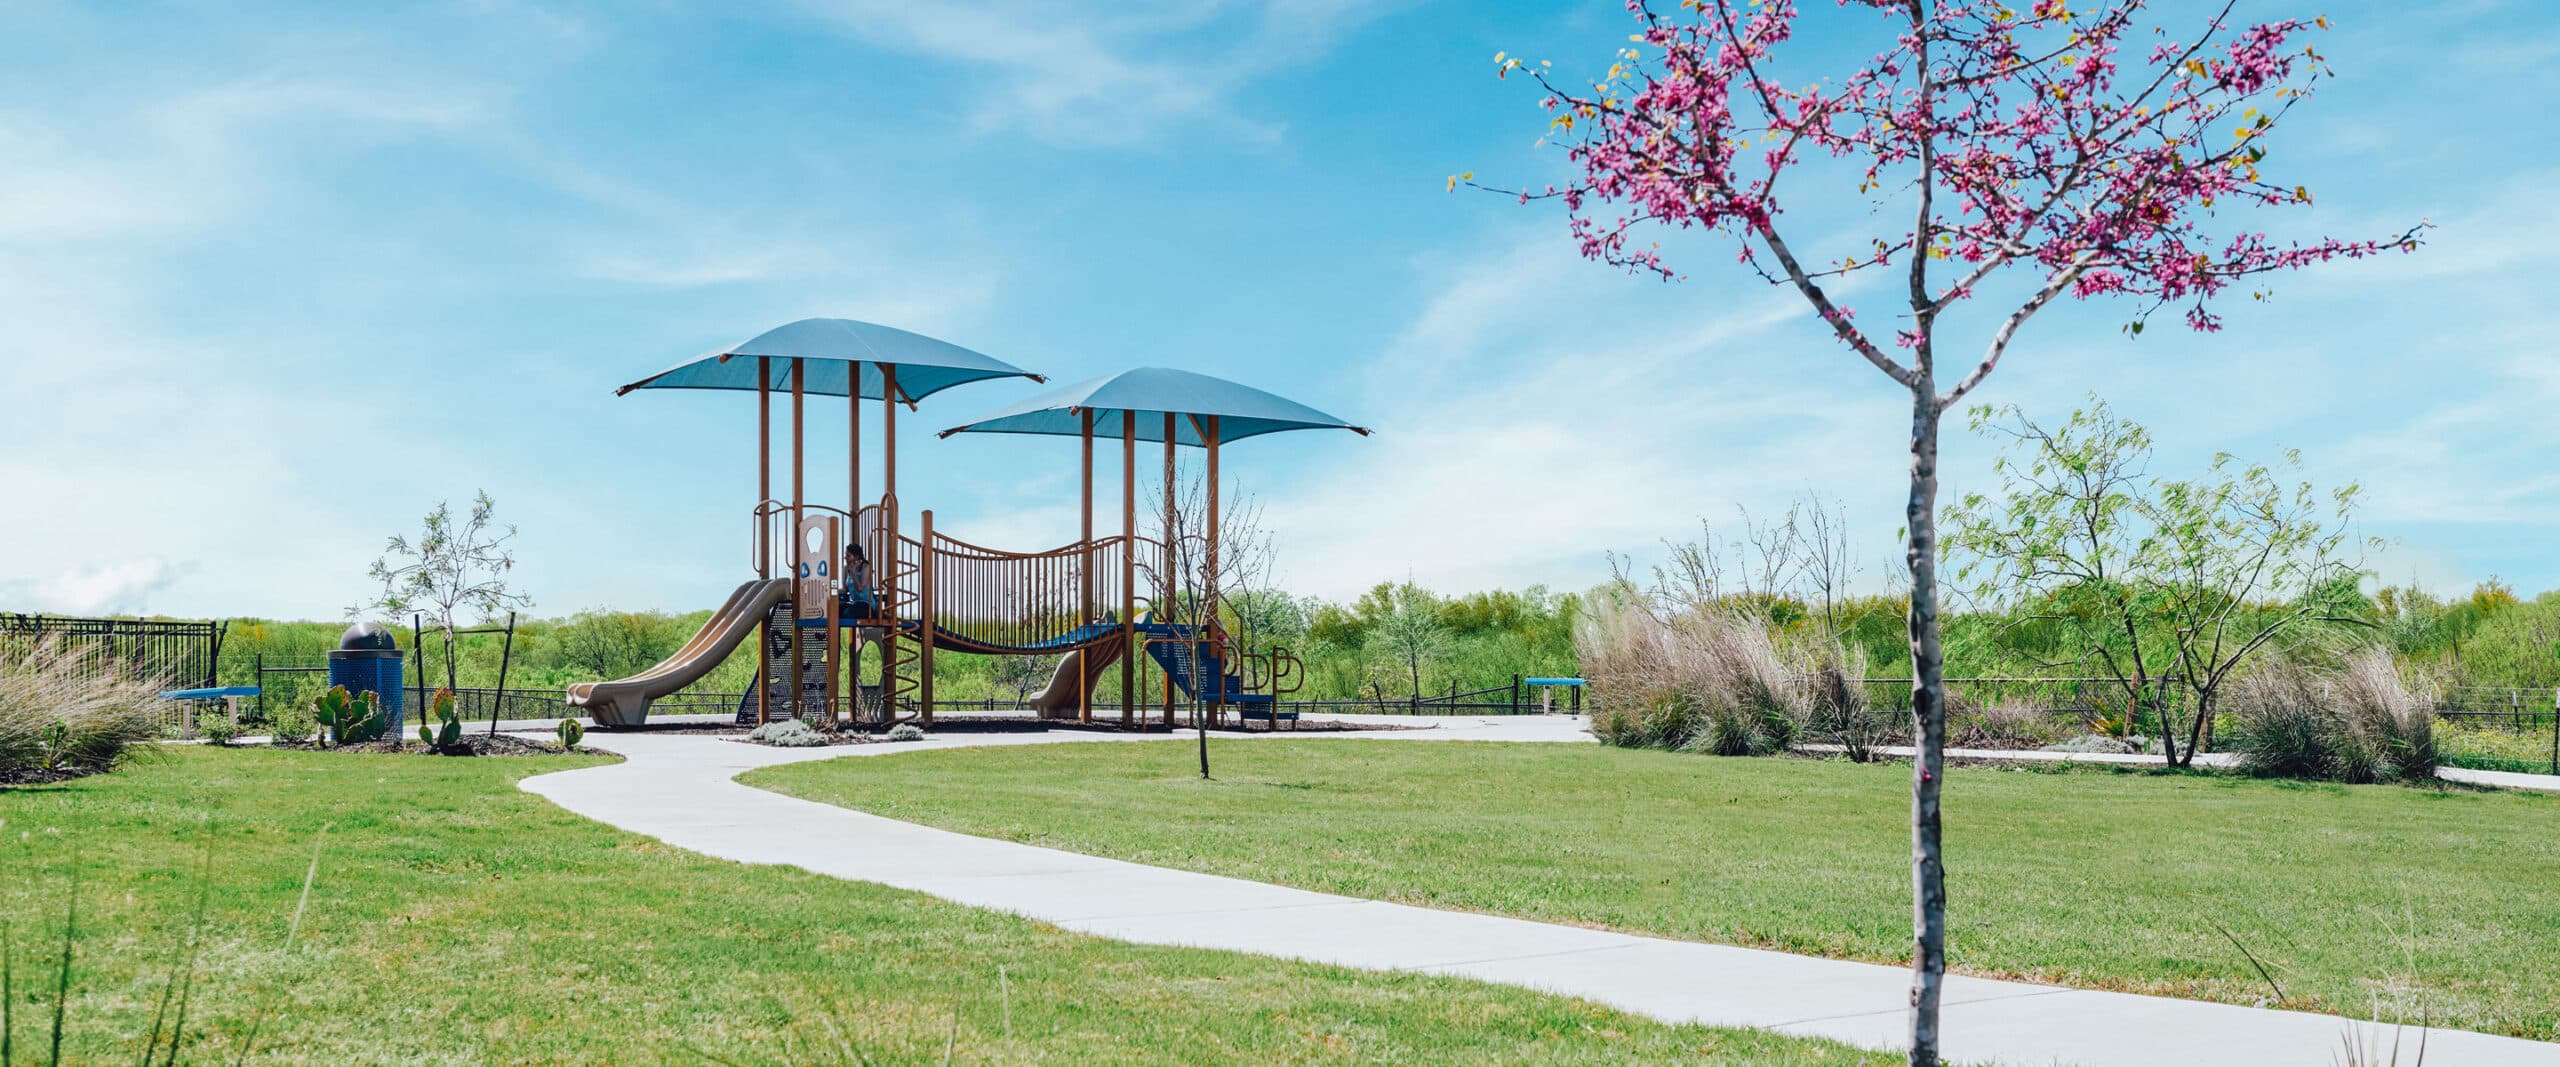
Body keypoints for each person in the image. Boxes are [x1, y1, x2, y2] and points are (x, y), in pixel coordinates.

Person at [841, 543, 879, 619]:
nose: (845, 557)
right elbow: (845, 590)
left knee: (847, 613)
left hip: (867, 605)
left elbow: (860, 589)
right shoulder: (845, 569)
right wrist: (831, 591)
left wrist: (854, 574)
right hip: (854, 603)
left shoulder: (865, 567)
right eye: (846, 555)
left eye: (848, 556)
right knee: (836, 610)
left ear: (856, 557)